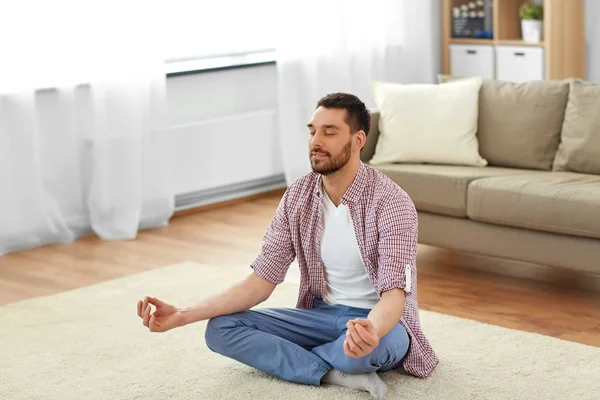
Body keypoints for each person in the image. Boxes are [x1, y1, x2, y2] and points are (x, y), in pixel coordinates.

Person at [136, 93, 439, 399]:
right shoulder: (297, 197)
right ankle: (331, 371)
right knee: (220, 330)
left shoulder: (392, 202)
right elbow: (261, 280)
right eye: (312, 131)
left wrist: (371, 332)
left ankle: (311, 359)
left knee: (364, 351)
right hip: (319, 315)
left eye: (329, 132)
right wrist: (183, 315)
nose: (315, 141)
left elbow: (394, 295)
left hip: (380, 320)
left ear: (358, 139)